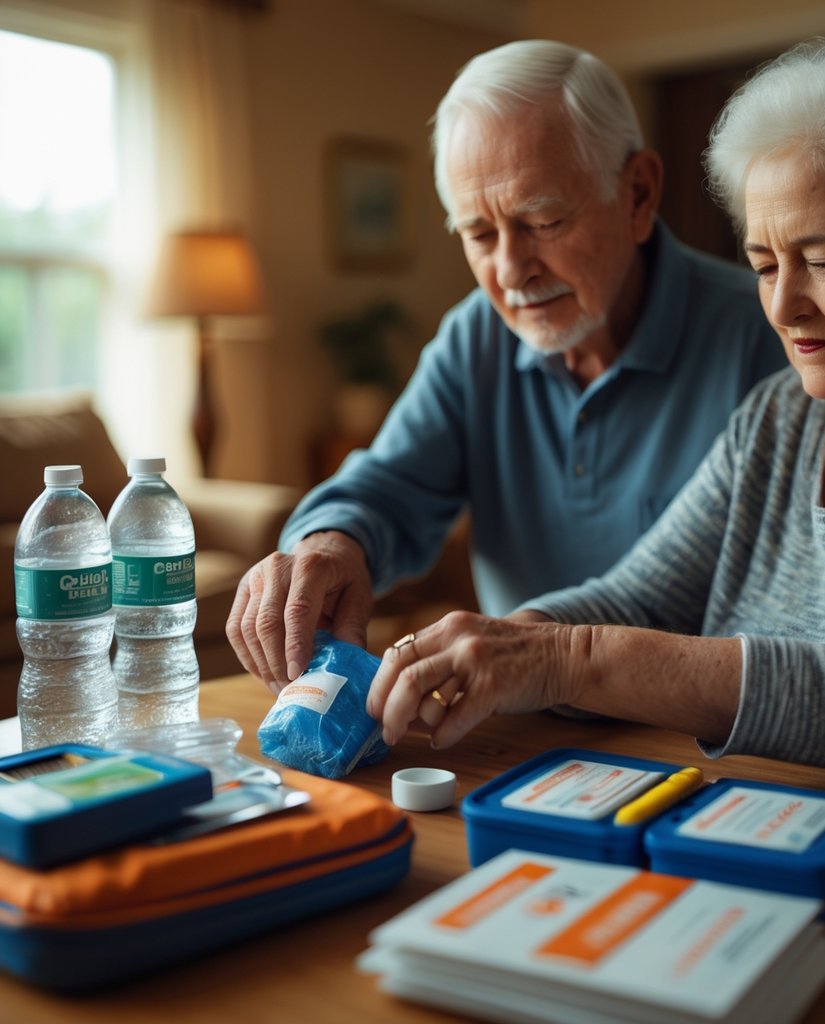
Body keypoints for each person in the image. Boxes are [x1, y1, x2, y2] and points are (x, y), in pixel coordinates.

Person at [367, 35, 825, 1016]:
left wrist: (570, 656)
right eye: (762, 262)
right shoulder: (780, 418)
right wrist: (488, 648)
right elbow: (637, 594)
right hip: (746, 883)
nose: (785, 305)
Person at [227, 39, 784, 687]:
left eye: (543, 221)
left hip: (707, 734)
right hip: (520, 726)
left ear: (638, 193)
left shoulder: (772, 336)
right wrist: (329, 545)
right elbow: (389, 487)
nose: (511, 271)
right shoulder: (477, 337)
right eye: (480, 234)